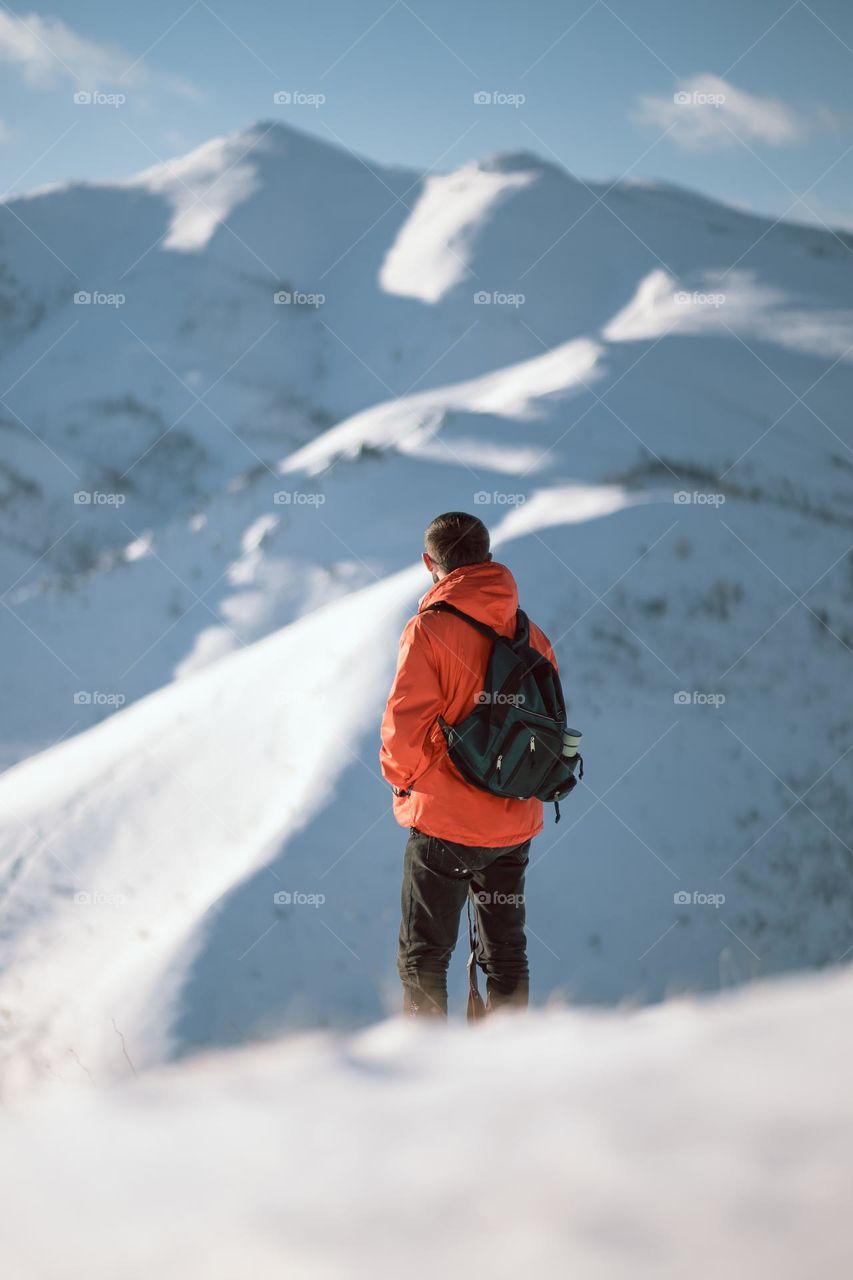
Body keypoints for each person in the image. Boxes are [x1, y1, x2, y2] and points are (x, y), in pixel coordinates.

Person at [380, 511, 559, 1018]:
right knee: (506, 953)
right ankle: (506, 1063)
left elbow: (403, 728)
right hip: (512, 821)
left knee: (424, 955)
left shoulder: (428, 630)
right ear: (488, 558)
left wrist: (403, 785)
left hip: (445, 823)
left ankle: (429, 1072)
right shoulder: (529, 633)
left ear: (429, 564)